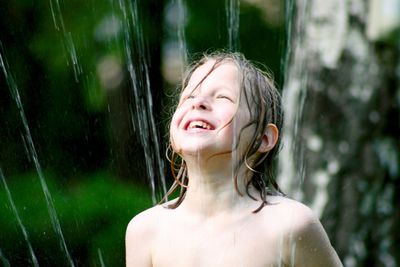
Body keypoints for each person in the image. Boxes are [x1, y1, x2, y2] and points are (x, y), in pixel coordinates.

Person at [125, 52, 343, 267]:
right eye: (189, 96)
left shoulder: (289, 225)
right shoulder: (146, 230)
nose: (198, 102)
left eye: (222, 97)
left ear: (263, 138)